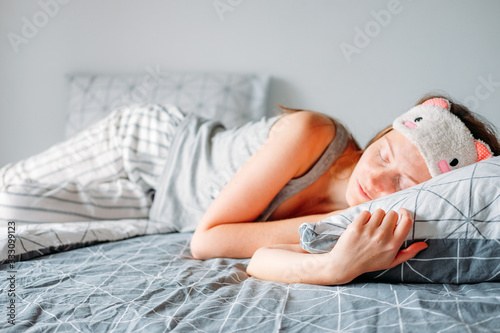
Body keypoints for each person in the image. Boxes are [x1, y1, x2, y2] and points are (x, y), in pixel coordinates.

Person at [1, 94, 498, 285]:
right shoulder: (313, 132)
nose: (379, 181)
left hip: (162, 213)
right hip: (151, 151)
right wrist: (326, 238)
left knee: (19, 228)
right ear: (381, 136)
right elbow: (208, 241)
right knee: (12, 194)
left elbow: (260, 259)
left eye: (403, 184)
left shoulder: (371, 222)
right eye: (385, 154)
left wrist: (333, 265)